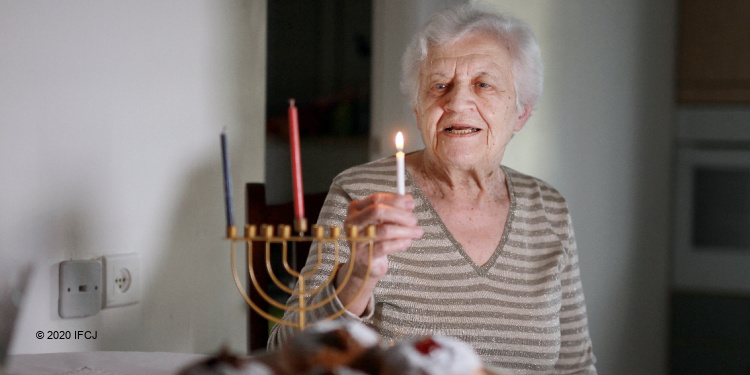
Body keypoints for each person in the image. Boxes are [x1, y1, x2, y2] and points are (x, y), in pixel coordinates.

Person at [269, 3, 596, 374]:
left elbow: (576, 366)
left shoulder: (549, 208)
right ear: (417, 107)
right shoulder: (360, 193)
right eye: (439, 85)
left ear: (521, 111)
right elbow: (286, 351)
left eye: (483, 85)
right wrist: (355, 277)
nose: (456, 102)